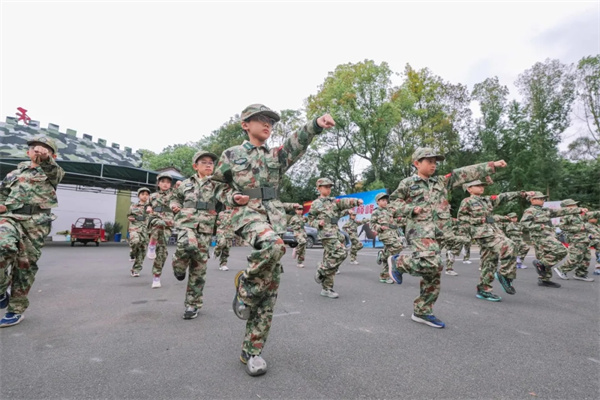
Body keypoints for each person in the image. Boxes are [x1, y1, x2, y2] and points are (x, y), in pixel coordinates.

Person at [212, 104, 335, 376]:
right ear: (245, 124)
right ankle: (245, 286)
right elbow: (217, 186)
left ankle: (252, 351)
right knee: (274, 245)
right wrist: (232, 197)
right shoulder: (232, 154)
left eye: (270, 121)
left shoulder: (276, 156)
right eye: (260, 119)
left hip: (274, 216)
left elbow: (297, 142)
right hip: (246, 213)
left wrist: (316, 124)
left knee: (269, 290)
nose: (267, 124)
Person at [387, 147, 507, 328]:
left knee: (433, 273)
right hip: (420, 230)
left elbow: (464, 173)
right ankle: (398, 262)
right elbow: (393, 203)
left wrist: (492, 166)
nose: (433, 165)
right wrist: (410, 209)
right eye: (429, 161)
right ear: (417, 163)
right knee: (432, 263)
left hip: (440, 232)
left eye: (435, 162)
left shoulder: (441, 182)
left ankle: (422, 311)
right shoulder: (408, 183)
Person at [170, 151, 245, 320]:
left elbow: (227, 195)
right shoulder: (185, 184)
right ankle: (178, 266)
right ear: (195, 166)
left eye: (211, 162)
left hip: (205, 227)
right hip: (186, 222)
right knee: (187, 245)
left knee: (199, 267)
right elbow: (175, 198)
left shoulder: (216, 184)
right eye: (204, 162)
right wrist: (174, 206)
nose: (208, 164)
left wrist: (236, 197)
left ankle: (192, 304)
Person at [0, 136, 65, 327]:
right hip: (10, 217)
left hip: (36, 222)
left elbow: (55, 172)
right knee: (2, 246)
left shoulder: (52, 172)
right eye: (35, 147)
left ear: (53, 155)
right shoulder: (13, 174)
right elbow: (2, 194)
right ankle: (1, 289)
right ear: (28, 152)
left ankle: (15, 309)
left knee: (25, 265)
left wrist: (46, 160)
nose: (38, 150)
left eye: (45, 149)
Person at [458, 180, 533, 301]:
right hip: (482, 234)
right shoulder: (467, 201)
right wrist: (477, 221)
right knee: (510, 245)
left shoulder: (487, 200)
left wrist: (522, 194)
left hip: (493, 231)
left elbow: (503, 196)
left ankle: (484, 290)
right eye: (477, 186)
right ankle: (505, 275)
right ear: (469, 189)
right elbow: (461, 219)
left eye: (482, 185)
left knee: (489, 262)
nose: (481, 187)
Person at [307, 178, 362, 298]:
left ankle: (326, 288)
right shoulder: (316, 203)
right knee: (341, 252)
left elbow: (343, 203)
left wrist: (355, 201)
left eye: (329, 187)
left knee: (331, 260)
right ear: (319, 188)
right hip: (326, 234)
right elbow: (310, 219)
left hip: (336, 232)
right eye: (325, 187)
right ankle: (321, 269)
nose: (328, 189)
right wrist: (317, 223)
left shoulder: (333, 201)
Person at [520, 192, 585, 288]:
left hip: (547, 235)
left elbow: (561, 211)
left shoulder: (545, 210)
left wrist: (579, 210)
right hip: (540, 236)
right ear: (532, 200)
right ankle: (541, 264)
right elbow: (523, 224)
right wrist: (539, 227)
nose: (543, 200)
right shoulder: (530, 210)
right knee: (561, 250)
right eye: (540, 198)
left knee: (545, 256)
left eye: (543, 199)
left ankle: (544, 280)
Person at [553, 200, 598, 282]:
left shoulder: (579, 214)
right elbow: (562, 227)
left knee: (586, 257)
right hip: (575, 239)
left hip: (584, 239)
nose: (575, 206)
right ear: (566, 207)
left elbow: (593, 214)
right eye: (572, 205)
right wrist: (579, 228)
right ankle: (561, 269)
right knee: (576, 257)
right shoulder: (566, 216)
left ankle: (580, 274)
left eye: (575, 204)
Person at [146, 172, 175, 288]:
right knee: (158, 223)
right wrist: (148, 208)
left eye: (168, 182)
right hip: (154, 219)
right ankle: (151, 245)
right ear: (158, 183)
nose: (165, 184)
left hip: (168, 224)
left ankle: (156, 277)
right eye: (163, 182)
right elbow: (147, 205)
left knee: (162, 252)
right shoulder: (152, 196)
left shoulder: (174, 195)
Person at [370, 192, 402, 283]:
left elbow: (395, 220)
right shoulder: (376, 212)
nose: (385, 202)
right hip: (385, 234)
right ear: (378, 202)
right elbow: (372, 224)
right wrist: (379, 227)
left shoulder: (390, 210)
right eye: (383, 200)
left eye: (386, 200)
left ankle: (384, 276)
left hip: (393, 233)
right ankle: (382, 255)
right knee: (398, 246)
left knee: (391, 254)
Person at [127, 187, 151, 277]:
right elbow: (128, 215)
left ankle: (136, 269)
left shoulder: (151, 206)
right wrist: (130, 218)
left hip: (146, 230)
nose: (145, 196)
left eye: (147, 194)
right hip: (135, 227)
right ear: (138, 196)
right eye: (143, 194)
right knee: (135, 241)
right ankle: (132, 254)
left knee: (142, 250)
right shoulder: (133, 206)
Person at [214, 206, 234, 271]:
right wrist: (217, 222)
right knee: (221, 243)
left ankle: (223, 265)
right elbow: (216, 222)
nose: (229, 206)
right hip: (221, 231)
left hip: (229, 232)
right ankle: (216, 251)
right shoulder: (221, 213)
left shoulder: (234, 213)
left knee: (226, 249)